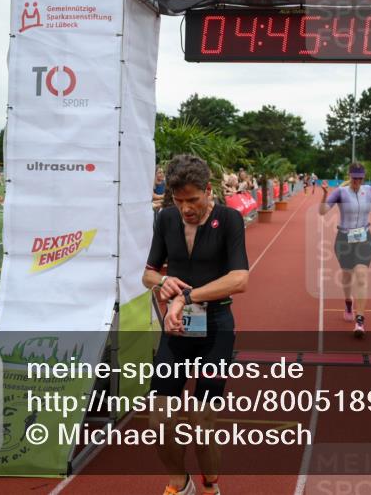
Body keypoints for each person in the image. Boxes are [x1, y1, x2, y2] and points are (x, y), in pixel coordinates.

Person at [141, 154, 250, 495]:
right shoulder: (166, 219)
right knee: (159, 421)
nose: (186, 208)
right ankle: (180, 483)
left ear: (207, 190)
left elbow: (239, 278)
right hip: (177, 332)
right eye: (178, 200)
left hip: (216, 328)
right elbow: (148, 273)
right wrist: (161, 284)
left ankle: (210, 485)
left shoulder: (229, 219)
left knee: (202, 425)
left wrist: (186, 297)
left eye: (193, 199)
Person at [318, 162, 371, 338]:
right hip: (344, 239)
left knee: (362, 276)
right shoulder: (340, 192)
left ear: (364, 178)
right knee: (347, 276)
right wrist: (325, 195)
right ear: (349, 176)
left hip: (364, 238)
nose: (357, 182)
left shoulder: (369, 191)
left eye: (360, 179)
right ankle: (348, 301)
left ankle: (360, 319)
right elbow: (322, 211)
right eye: (354, 178)